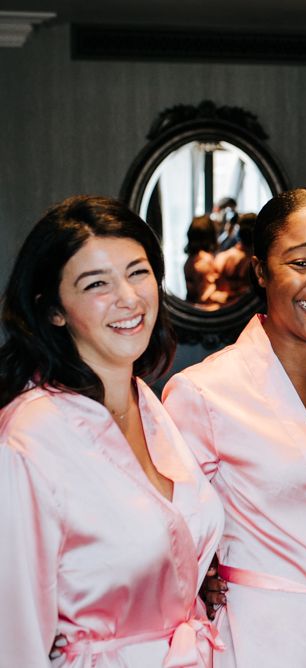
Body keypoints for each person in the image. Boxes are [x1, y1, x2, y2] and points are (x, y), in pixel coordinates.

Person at [163, 188, 306, 667]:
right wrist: (199, 571)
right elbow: (165, 538)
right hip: (266, 638)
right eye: (301, 263)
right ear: (261, 270)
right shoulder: (202, 393)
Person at [0, 195, 224, 666]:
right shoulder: (29, 440)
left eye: (138, 272)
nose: (128, 297)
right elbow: (13, 639)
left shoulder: (150, 404)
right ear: (53, 310)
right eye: (97, 283)